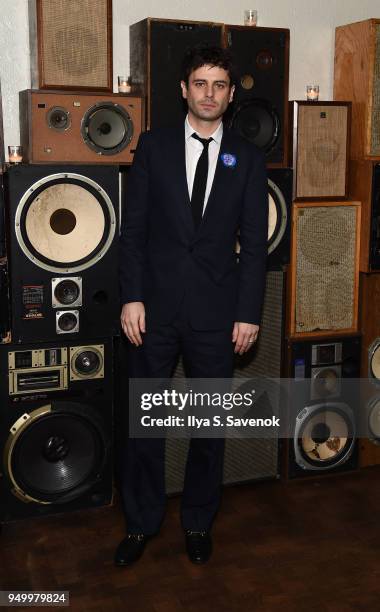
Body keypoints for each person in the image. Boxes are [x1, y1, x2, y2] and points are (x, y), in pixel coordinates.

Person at [116, 44, 268, 566]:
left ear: (230, 95)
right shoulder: (153, 147)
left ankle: (199, 522)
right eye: (200, 83)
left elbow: (254, 244)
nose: (209, 93)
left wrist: (249, 312)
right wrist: (132, 297)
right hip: (152, 311)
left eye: (219, 85)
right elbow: (132, 233)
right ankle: (140, 524)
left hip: (217, 315)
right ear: (184, 89)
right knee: (145, 424)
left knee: (208, 428)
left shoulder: (247, 158)